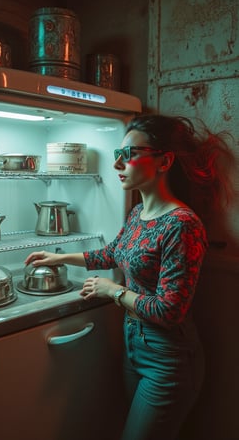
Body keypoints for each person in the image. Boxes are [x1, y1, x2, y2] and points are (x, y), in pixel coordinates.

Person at [25, 114, 235, 440]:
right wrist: (59, 256)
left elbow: (171, 310)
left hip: (168, 360)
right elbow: (112, 254)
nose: (117, 164)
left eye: (129, 154)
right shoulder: (138, 213)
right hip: (133, 346)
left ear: (164, 161)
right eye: (117, 155)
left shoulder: (182, 224)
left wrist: (113, 290)